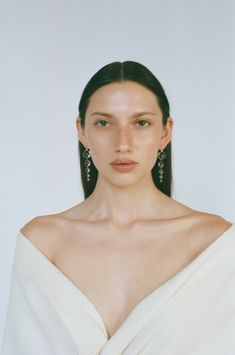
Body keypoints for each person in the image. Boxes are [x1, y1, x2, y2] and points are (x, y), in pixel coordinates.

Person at [1, 61, 234, 355]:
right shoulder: (43, 245)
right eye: (103, 123)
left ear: (165, 132)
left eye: (141, 123)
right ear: (82, 131)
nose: (123, 143)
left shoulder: (215, 244)